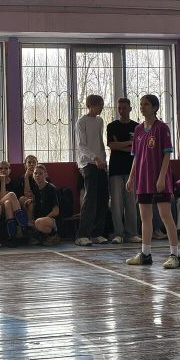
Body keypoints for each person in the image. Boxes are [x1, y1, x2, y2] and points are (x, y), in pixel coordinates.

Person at [124, 94, 180, 268]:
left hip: (159, 180)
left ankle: (175, 256)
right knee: (145, 218)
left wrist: (162, 177)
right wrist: (131, 177)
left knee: (165, 216)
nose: (142, 107)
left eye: (146, 104)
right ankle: (145, 254)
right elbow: (136, 157)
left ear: (154, 107)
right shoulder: (138, 130)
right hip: (143, 180)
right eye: (141, 104)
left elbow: (167, 154)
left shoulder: (162, 128)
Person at [75, 94, 109, 247]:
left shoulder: (100, 121)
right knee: (90, 199)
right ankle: (82, 235)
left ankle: (96, 233)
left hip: (100, 163)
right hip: (88, 163)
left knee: (103, 197)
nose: (101, 108)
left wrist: (103, 160)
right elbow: (81, 145)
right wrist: (94, 158)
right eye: (99, 105)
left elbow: (100, 143)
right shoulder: (81, 122)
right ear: (91, 106)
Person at [105, 97, 138, 245]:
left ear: (130, 108)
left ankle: (132, 233)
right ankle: (118, 233)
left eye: (124, 108)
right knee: (116, 204)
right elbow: (112, 145)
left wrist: (121, 144)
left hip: (131, 169)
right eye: (119, 108)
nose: (122, 111)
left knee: (131, 203)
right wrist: (129, 144)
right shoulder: (112, 126)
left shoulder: (137, 127)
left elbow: (137, 148)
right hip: (115, 169)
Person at [0, 160, 29, 246]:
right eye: (1, 168)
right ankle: (23, 225)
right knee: (11, 195)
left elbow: (18, 199)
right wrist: (2, 182)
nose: (3, 170)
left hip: (11, 208)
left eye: (6, 168)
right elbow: (0, 198)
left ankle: (12, 237)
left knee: (8, 203)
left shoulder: (14, 182)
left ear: (10, 170)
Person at [26, 163, 60, 244]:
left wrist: (43, 219)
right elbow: (27, 194)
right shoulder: (35, 188)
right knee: (29, 220)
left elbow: (56, 212)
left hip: (51, 219)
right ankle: (41, 237)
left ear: (45, 175)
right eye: (35, 173)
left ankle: (53, 234)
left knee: (38, 223)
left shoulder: (51, 188)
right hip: (39, 218)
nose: (37, 175)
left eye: (40, 173)